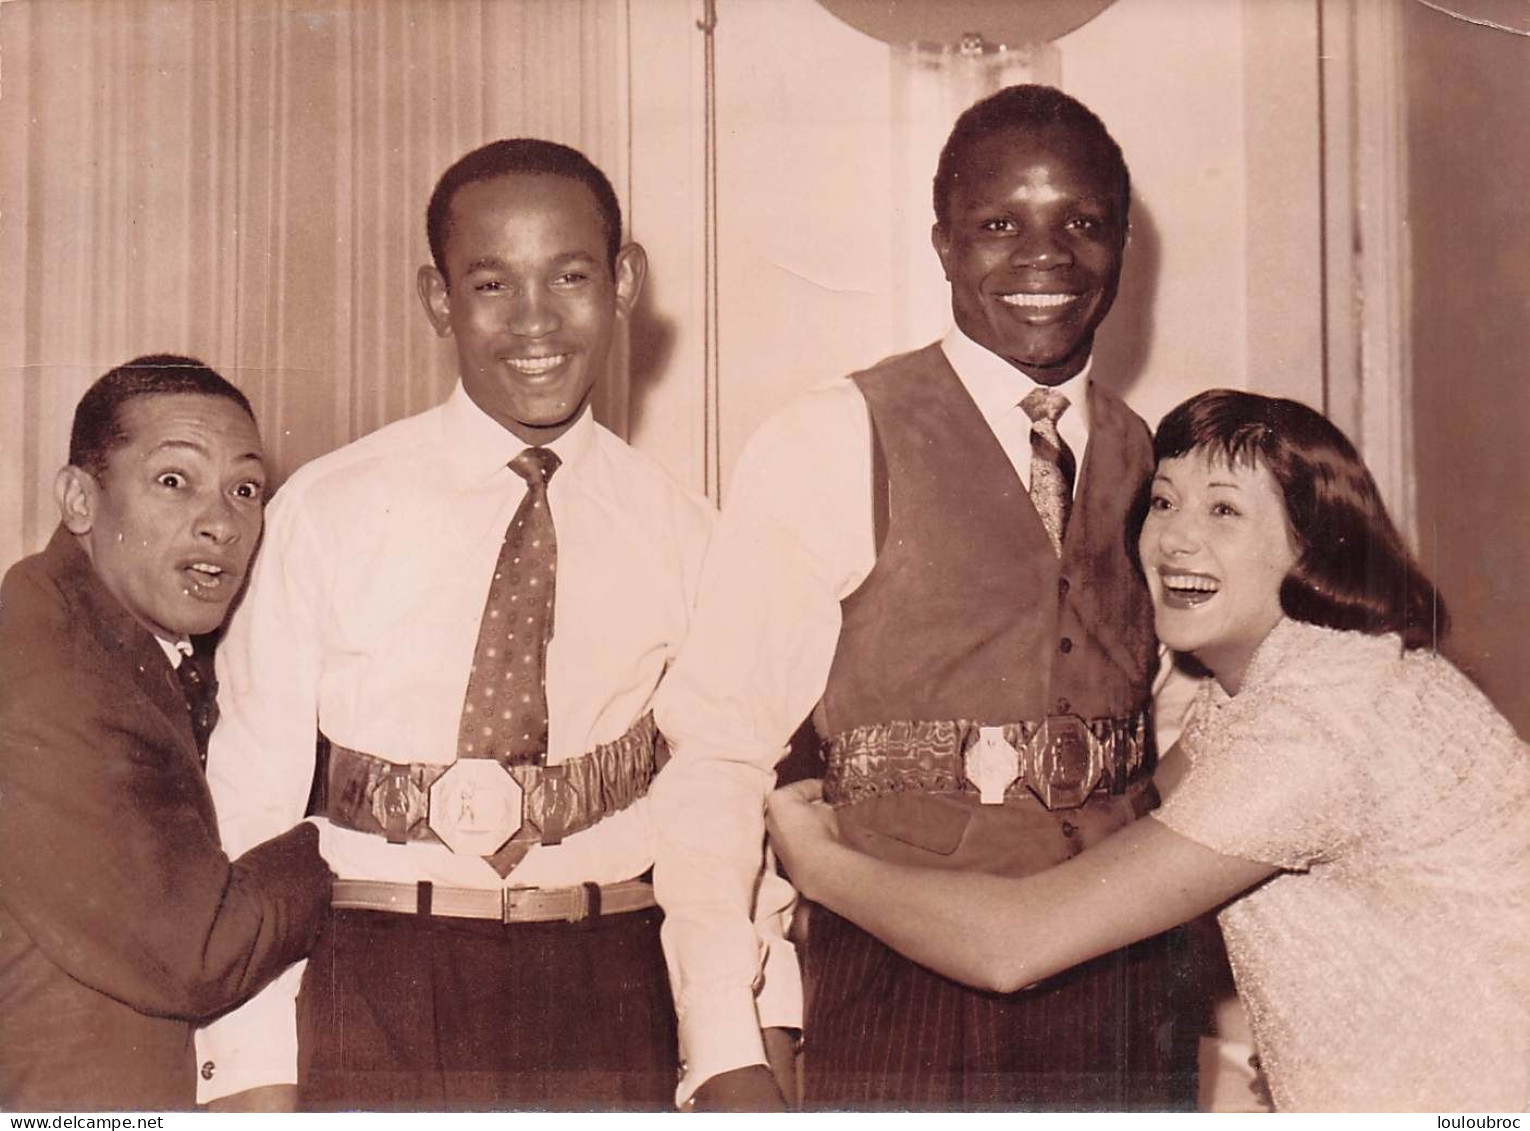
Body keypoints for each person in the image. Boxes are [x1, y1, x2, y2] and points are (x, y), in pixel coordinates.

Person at [193, 138, 795, 1111]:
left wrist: (733, 1044)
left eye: (568, 276)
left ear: (624, 280)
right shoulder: (332, 508)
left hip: (606, 986)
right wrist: (249, 1069)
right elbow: (250, 813)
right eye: (491, 285)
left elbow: (713, 822)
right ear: (439, 299)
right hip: (376, 980)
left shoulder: (690, 536)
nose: (535, 323)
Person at [651, 84, 1195, 1109]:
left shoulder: (1156, 461)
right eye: (999, 226)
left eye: (1082, 223)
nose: (1046, 260)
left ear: (1122, 242)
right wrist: (723, 1035)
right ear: (943, 244)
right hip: (902, 991)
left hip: (1128, 994)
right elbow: (719, 754)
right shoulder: (830, 439)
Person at [767, 388, 1530, 1112]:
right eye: (1163, 500)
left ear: (1313, 548)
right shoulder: (1270, 683)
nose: (1174, 538)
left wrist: (820, 863)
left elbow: (1016, 943)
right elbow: (1134, 837)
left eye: (1224, 509)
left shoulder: (1319, 721)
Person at [0, 355, 332, 1111]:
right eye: (174, 481)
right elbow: (199, 948)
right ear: (80, 499)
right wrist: (340, 832)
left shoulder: (114, 637)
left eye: (245, 489)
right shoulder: (44, 662)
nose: (221, 522)